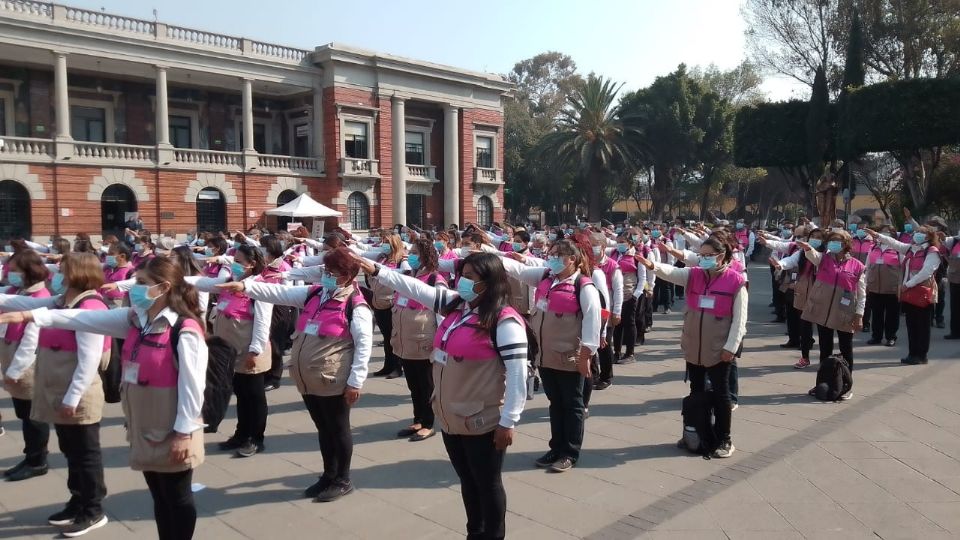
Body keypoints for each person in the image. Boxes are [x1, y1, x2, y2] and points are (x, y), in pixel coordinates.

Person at [1, 257, 208, 539]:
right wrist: (30, 316)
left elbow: (192, 387)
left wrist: (184, 432)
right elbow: (82, 318)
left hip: (172, 423)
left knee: (177, 496)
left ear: (164, 288)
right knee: (159, 495)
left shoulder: (184, 330)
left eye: (142, 284)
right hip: (143, 422)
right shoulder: (136, 320)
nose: (134, 289)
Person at [358, 251, 527, 539]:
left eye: (471, 277)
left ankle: (493, 534)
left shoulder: (503, 321)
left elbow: (517, 375)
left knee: (487, 482)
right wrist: (376, 270)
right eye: (462, 274)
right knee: (467, 480)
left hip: (482, 419)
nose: (462, 281)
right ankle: (475, 531)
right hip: (450, 415)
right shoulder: (456, 306)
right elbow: (413, 287)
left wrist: (508, 421)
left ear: (489, 282)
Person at [219, 247, 372, 502]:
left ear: (347, 276)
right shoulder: (315, 294)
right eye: (325, 270)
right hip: (309, 378)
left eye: (332, 272)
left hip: (334, 379)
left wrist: (356, 382)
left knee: (338, 428)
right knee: (323, 429)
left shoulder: (355, 305)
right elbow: (280, 292)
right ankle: (328, 474)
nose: (326, 275)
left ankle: (343, 479)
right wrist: (246, 288)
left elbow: (364, 345)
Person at [0, 252, 111, 536]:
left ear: (77, 274)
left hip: (78, 395)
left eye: (62, 270)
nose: (56, 275)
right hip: (59, 390)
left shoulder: (90, 307)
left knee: (86, 454)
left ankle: (93, 509)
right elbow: (27, 303)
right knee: (70, 450)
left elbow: (88, 361)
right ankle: (77, 500)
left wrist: (72, 399)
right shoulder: (63, 301)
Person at [637, 236, 746, 458]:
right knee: (696, 392)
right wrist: (652, 266)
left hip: (719, 349)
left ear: (722, 255)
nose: (704, 259)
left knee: (722, 395)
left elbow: (740, 320)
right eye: (702, 255)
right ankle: (696, 433)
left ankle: (725, 439)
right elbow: (672, 273)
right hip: (694, 346)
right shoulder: (694, 275)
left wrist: (731, 347)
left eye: (708, 255)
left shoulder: (736, 280)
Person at [499, 240, 601, 473]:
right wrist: (490, 256)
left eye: (557, 255)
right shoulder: (546, 277)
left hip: (570, 356)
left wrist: (586, 355)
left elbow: (593, 322)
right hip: (545, 356)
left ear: (571, 260)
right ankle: (556, 448)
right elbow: (519, 270)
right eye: (551, 254)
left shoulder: (583, 287)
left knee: (572, 405)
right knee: (556, 403)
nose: (551, 258)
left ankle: (570, 452)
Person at [199, 244, 273, 457]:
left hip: (249, 351)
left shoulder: (259, 287)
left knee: (254, 396)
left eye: (240, 261)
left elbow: (262, 322)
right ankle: (241, 434)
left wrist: (255, 351)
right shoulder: (231, 283)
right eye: (235, 260)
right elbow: (205, 286)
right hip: (231, 352)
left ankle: (255, 438)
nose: (235, 265)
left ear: (252, 264)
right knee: (241, 393)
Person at [1, 250, 52, 482]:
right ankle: (30, 455)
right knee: (23, 413)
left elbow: (31, 343)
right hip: (10, 355)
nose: (9, 274)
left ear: (28, 272)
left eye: (14, 270)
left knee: (33, 415)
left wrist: (13, 372)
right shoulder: (16, 291)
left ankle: (37, 460)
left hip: (26, 364)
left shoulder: (40, 297)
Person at [390, 238, 447, 441]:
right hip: (405, 342)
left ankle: (429, 423)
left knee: (427, 385)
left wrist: (440, 347)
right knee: (413, 385)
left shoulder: (434, 280)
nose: (410, 255)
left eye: (415, 252)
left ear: (425, 255)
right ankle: (418, 419)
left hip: (425, 343)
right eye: (410, 251)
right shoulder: (407, 277)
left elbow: (442, 317)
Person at [798, 230, 865, 397]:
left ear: (846, 244)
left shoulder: (857, 266)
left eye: (837, 240)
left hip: (844, 312)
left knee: (845, 348)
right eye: (831, 240)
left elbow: (862, 293)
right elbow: (813, 256)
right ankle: (823, 383)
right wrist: (808, 249)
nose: (833, 243)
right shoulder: (824, 259)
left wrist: (859, 315)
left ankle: (846, 385)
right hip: (823, 311)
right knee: (824, 348)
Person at [868, 225, 942, 364]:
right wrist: (878, 235)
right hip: (909, 292)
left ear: (929, 236)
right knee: (911, 324)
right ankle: (912, 353)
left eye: (922, 233)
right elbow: (894, 243)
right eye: (917, 232)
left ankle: (921, 355)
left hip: (922, 292)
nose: (917, 234)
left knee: (922, 325)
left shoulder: (932, 252)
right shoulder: (910, 248)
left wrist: (907, 284)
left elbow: (926, 272)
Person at [363, 233, 409, 379]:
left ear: (394, 244)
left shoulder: (402, 260)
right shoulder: (381, 258)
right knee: (386, 336)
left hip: (392, 302)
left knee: (394, 337)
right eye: (383, 242)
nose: (383, 245)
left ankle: (397, 367)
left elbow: (405, 276)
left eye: (387, 242)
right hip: (379, 301)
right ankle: (388, 365)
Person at [863, 225, 902, 347]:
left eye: (887, 232)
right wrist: (866, 283)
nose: (883, 234)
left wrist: (900, 286)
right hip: (875, 287)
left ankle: (891, 337)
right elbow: (867, 267)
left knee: (892, 314)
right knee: (876, 314)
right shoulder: (873, 248)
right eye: (881, 232)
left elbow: (903, 269)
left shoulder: (898, 249)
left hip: (892, 288)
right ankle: (876, 336)